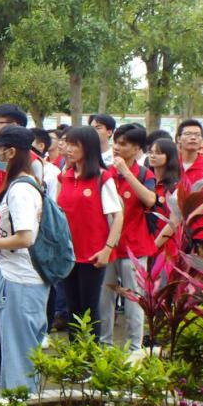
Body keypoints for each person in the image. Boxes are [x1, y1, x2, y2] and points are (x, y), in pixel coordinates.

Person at [0, 126, 48, 392]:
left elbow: (26, 237)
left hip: (21, 280)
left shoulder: (20, 190)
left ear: (11, 152)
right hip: (22, 278)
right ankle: (18, 401)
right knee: (20, 351)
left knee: (19, 354)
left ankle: (19, 403)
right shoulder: (26, 183)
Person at [57, 126, 124, 340]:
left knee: (89, 307)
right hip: (68, 254)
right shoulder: (65, 176)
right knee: (72, 307)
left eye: (74, 145)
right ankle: (74, 355)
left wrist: (107, 249)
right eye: (67, 143)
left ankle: (90, 356)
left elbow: (118, 216)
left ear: (88, 147)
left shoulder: (103, 178)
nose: (68, 149)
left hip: (93, 255)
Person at [99, 125, 156, 351]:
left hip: (135, 247)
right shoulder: (104, 173)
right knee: (104, 299)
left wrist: (126, 172)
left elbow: (150, 200)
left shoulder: (145, 174)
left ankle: (134, 349)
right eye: (116, 142)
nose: (117, 147)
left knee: (134, 300)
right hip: (108, 246)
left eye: (123, 144)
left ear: (137, 148)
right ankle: (104, 346)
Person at [175, 120, 203, 255]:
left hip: (200, 233)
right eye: (188, 134)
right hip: (171, 230)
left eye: (197, 135)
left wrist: (188, 218)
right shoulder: (171, 165)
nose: (193, 138)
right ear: (178, 139)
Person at [149, 138, 182, 253]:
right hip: (143, 245)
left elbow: (175, 222)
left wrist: (154, 246)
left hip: (165, 248)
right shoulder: (146, 181)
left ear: (170, 156)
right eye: (151, 152)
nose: (153, 156)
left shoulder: (175, 187)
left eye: (158, 153)